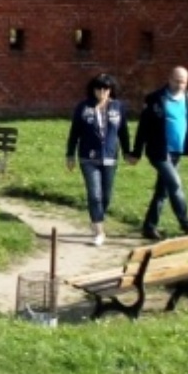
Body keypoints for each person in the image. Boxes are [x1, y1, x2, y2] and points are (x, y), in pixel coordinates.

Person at [129, 65, 188, 241]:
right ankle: (186, 224)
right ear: (169, 79)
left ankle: (149, 227)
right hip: (159, 151)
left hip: (177, 151)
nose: (179, 84)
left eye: (183, 82)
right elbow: (143, 127)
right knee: (175, 184)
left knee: (163, 191)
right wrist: (136, 152)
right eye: (176, 80)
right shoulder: (155, 99)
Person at [64, 73, 132, 246]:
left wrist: (127, 152)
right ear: (93, 89)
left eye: (106, 89)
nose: (102, 92)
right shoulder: (83, 107)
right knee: (94, 195)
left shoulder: (118, 107)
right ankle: (99, 231)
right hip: (88, 157)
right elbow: (75, 132)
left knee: (106, 195)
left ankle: (96, 218)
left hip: (110, 157)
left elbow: (123, 132)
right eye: (99, 88)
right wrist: (70, 154)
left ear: (111, 90)